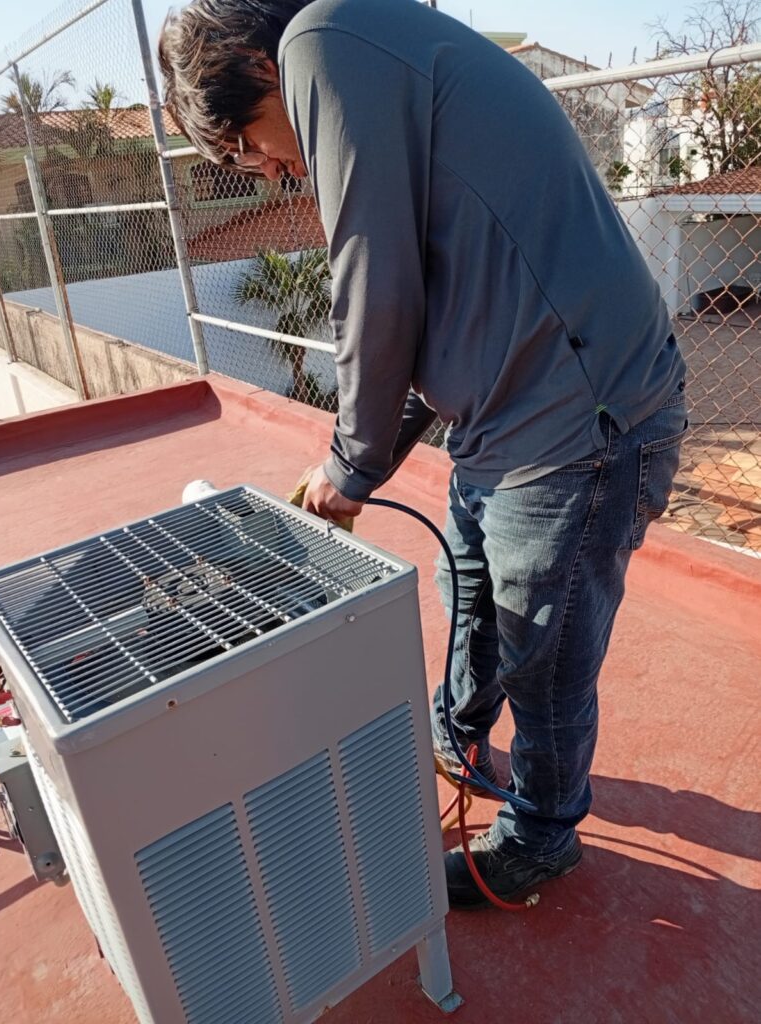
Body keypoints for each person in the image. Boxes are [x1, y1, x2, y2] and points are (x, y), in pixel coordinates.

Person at [159, 0, 687, 908]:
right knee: (469, 590)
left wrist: (350, 467)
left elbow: (372, 283)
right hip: (506, 419)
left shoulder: (318, 43)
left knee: (541, 652)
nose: (266, 169)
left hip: (578, 423)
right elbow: (412, 311)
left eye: (244, 146)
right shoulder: (367, 61)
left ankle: (539, 838)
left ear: (255, 66)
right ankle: (455, 734)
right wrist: (356, 462)